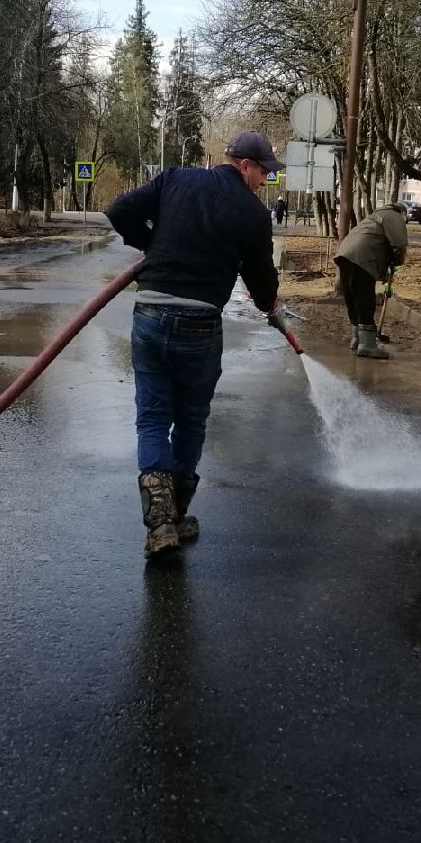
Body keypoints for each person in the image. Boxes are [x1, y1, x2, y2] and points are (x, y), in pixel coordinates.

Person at [106, 131, 285, 558]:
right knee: (190, 420)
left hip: (149, 314)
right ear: (245, 165)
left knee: (151, 418)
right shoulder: (254, 215)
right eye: (264, 172)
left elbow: (118, 211)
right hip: (200, 324)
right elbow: (261, 280)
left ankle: (160, 525)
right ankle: (176, 515)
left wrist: (151, 243)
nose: (266, 181)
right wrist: (270, 305)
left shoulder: (176, 179)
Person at [334, 200, 409, 360]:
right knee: (365, 299)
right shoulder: (395, 217)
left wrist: (385, 274)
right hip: (362, 257)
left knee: (353, 297)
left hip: (345, 254)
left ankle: (357, 339)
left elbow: (376, 244)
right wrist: (396, 265)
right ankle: (367, 345)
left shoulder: (375, 216)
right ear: (403, 213)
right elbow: (400, 245)